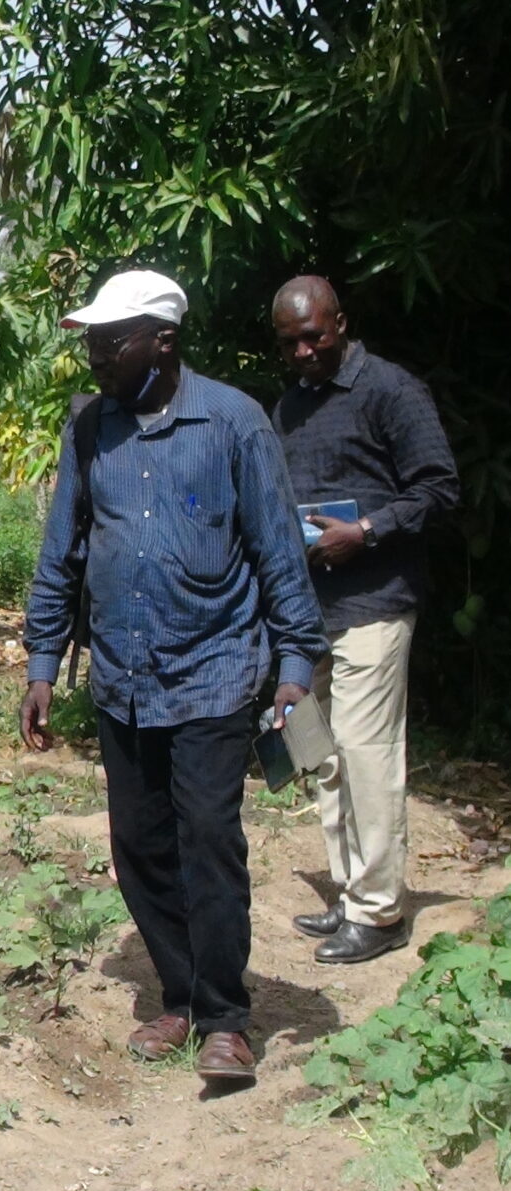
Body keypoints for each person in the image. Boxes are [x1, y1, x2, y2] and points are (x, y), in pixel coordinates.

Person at [20, 270, 327, 1085]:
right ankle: (180, 996)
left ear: (162, 341)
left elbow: (277, 554)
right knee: (140, 846)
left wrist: (296, 663)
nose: (93, 356)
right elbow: (62, 554)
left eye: (108, 341)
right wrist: (43, 662)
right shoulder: (88, 430)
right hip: (123, 679)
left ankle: (226, 1018)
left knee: (208, 844)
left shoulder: (233, 424)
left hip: (215, 674)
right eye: (89, 340)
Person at [270, 277, 460, 964]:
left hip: (376, 599)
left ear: (341, 323)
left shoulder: (390, 390)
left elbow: (439, 489)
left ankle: (379, 913)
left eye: (315, 335)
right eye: (290, 341)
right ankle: (351, 892)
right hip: (311, 611)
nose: (303, 350)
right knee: (320, 756)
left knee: (367, 751)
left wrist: (369, 529)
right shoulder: (290, 407)